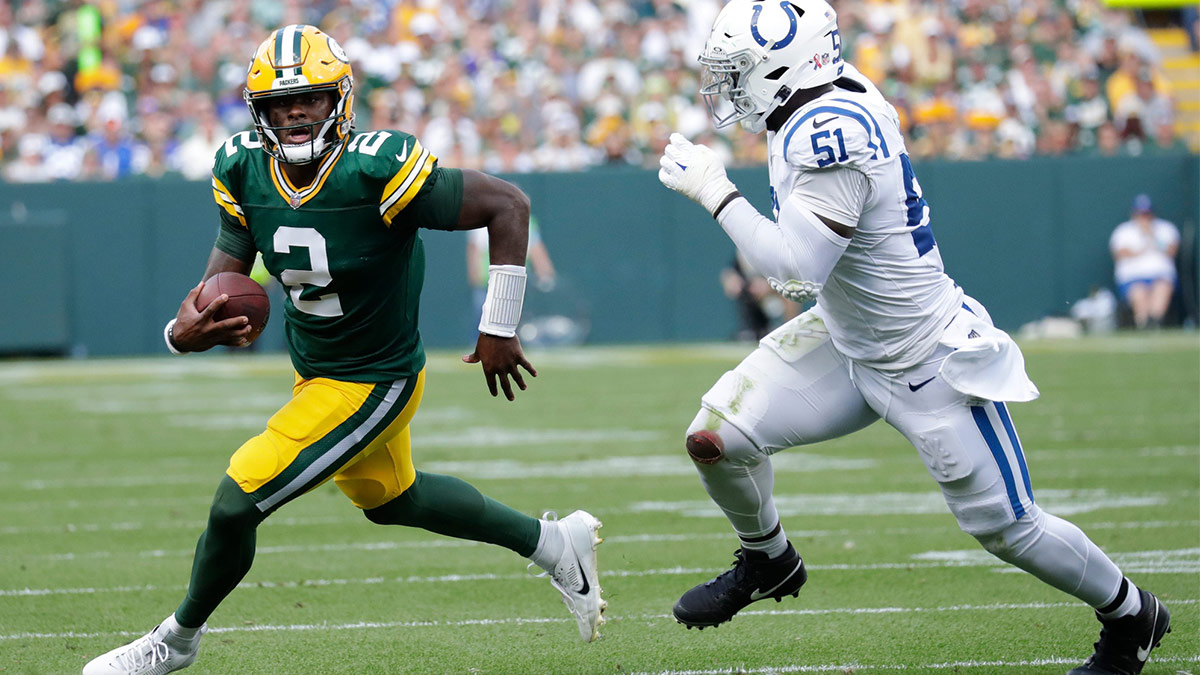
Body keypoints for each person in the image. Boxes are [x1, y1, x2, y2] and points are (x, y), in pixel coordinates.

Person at [656, 3, 1170, 674]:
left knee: (1009, 528)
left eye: (740, 72)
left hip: (923, 358)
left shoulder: (829, 132)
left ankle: (1132, 614)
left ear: (786, 66)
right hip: (847, 340)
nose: (730, 87)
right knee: (717, 437)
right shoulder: (821, 102)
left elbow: (793, 269)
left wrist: (716, 193)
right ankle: (769, 557)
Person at [82, 25, 605, 675]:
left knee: (237, 496)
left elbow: (508, 204)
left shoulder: (378, 166)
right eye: (278, 103)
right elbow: (222, 290)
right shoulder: (242, 166)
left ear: (341, 100)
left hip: (375, 378)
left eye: (309, 98)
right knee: (393, 499)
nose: (294, 112)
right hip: (317, 372)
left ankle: (176, 639)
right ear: (258, 111)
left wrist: (499, 325)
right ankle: (555, 541)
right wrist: (183, 331)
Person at [466, 212, 556, 340]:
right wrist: (475, 275)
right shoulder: (483, 219)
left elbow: (536, 250)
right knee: (482, 321)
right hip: (487, 282)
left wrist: (545, 272)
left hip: (513, 283)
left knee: (512, 323)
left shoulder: (526, 221)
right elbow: (474, 249)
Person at [1110, 194, 1180, 330]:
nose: (1144, 217)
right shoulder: (1124, 231)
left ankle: (1155, 322)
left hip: (1161, 275)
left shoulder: (1165, 229)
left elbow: (1172, 251)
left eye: (1146, 213)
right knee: (1139, 291)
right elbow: (1119, 253)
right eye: (1140, 214)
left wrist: (1152, 236)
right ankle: (1143, 324)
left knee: (1162, 288)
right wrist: (1140, 248)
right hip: (1133, 277)